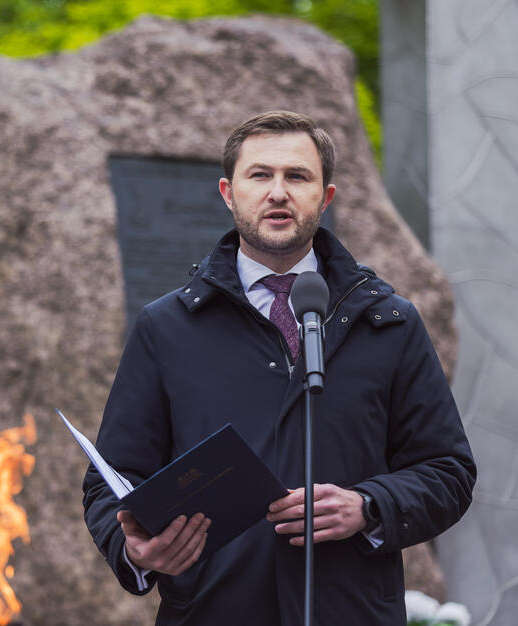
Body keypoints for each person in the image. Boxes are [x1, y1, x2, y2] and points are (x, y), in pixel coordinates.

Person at [82, 111, 476, 625]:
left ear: (325, 197)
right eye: (260, 175)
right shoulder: (167, 326)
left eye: (297, 176)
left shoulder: (389, 322)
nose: (277, 192)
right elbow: (110, 479)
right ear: (228, 192)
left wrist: (368, 504)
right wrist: (134, 551)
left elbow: (449, 471)